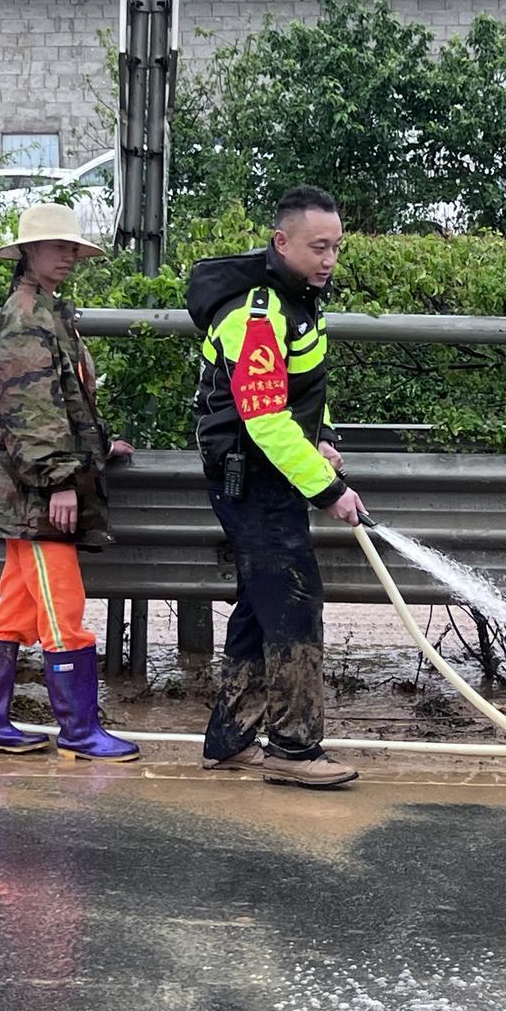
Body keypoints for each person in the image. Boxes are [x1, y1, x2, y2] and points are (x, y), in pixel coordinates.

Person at [187, 185, 368, 788]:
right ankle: (294, 751)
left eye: (336, 248)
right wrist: (330, 490)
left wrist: (319, 440)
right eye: (318, 247)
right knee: (293, 604)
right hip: (254, 482)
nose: (328, 260)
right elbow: (264, 420)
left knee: (262, 607)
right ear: (280, 242)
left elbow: (295, 397)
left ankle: (231, 740)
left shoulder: (296, 301)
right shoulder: (258, 315)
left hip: (269, 473)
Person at [0, 202, 139, 762]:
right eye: (57, 247)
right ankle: (78, 732)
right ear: (28, 253)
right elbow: (31, 409)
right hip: (32, 495)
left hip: (24, 489)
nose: (69, 256)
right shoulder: (29, 317)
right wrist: (61, 479)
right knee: (62, 606)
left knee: (16, 608)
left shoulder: (44, 310)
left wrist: (96, 448)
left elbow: (59, 399)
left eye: (73, 248)